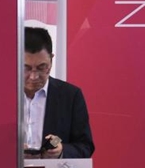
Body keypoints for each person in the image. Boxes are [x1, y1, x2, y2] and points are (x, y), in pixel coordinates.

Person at [23, 27, 94, 159]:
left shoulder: (70, 96)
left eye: (41, 67)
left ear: (51, 59)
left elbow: (85, 146)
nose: (33, 76)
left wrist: (60, 149)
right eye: (26, 68)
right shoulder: (4, 96)